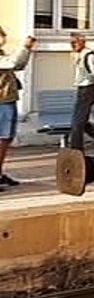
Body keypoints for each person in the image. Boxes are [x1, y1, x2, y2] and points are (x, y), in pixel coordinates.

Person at [0, 28, 36, 189]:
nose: (3, 39)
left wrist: (27, 49)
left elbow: (19, 65)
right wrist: (25, 47)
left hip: (7, 100)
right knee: (2, 138)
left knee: (6, 138)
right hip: (2, 102)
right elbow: (13, 63)